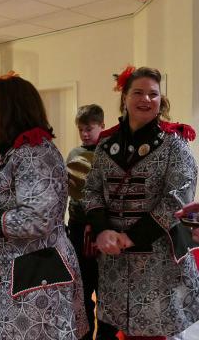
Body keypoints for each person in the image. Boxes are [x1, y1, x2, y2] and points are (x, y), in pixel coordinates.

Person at [0, 75, 88, 340]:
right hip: (12, 277)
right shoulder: (11, 153)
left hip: (36, 280)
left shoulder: (36, 151)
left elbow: (37, 219)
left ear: (13, 107)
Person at [82, 66, 199, 340]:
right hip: (114, 260)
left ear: (161, 100)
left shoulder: (175, 144)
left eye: (153, 94)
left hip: (159, 261)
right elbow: (91, 191)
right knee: (125, 329)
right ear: (124, 97)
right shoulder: (105, 144)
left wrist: (130, 237)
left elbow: (177, 200)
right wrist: (103, 230)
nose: (145, 99)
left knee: (158, 331)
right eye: (138, 92)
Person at [66, 104, 118, 340]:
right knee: (82, 288)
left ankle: (106, 336)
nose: (85, 134)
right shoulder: (74, 154)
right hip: (77, 229)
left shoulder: (109, 153)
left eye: (89, 129)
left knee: (106, 288)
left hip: (104, 228)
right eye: (81, 130)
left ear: (102, 126)